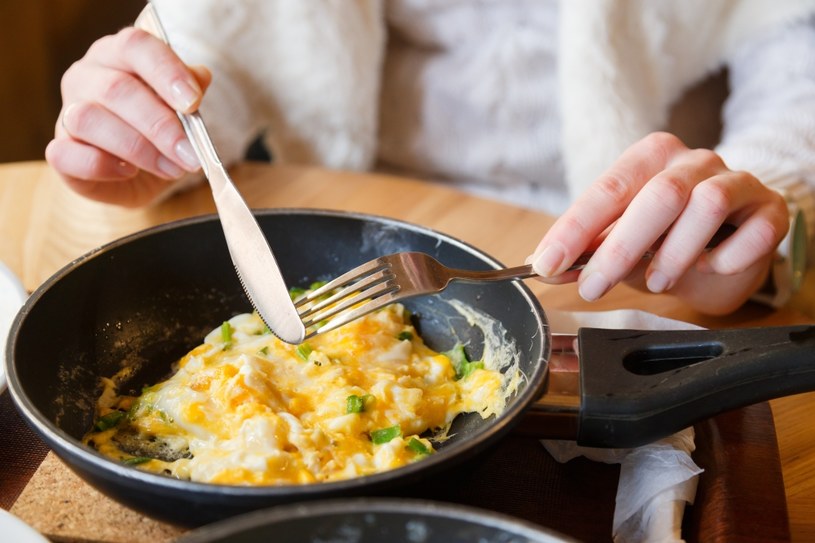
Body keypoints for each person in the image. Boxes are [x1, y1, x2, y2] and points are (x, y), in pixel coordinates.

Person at [45, 0, 815, 315]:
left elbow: (795, 73)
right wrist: (147, 128)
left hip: (639, 274)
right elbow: (223, 45)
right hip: (358, 240)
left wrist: (743, 206)